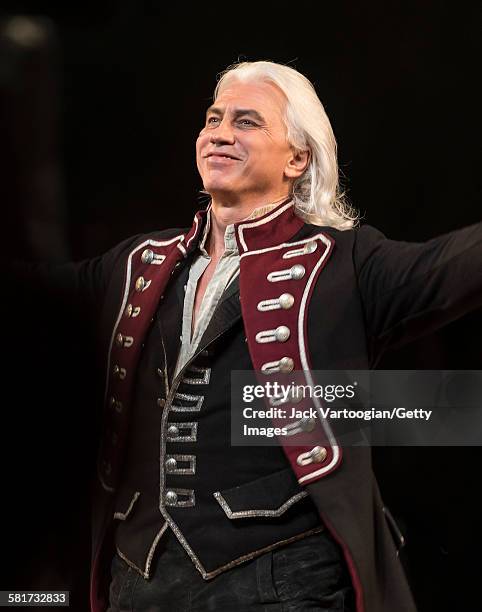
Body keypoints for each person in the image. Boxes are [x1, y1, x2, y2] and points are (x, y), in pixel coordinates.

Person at [17, 61, 482, 611]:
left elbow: (459, 264)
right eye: (213, 118)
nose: (219, 132)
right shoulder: (134, 265)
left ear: (297, 158)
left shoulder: (345, 264)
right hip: (137, 585)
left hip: (284, 582)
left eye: (246, 122)